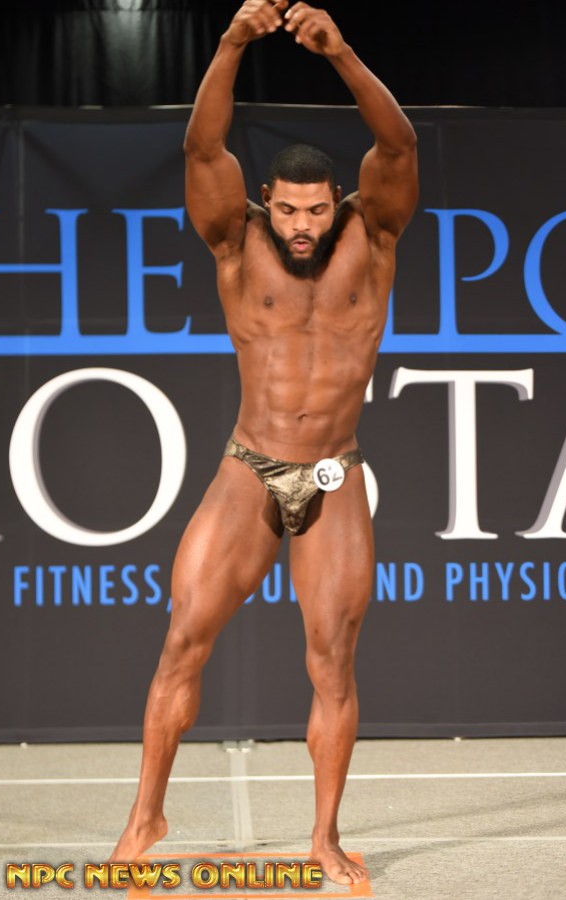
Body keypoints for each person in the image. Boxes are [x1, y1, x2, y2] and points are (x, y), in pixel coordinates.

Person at [110, 0, 418, 885]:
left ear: (337, 200)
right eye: (288, 210)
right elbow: (202, 148)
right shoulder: (235, 240)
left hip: (334, 470)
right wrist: (231, 44)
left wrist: (342, 53)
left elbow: (398, 147)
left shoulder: (373, 235)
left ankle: (323, 839)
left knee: (332, 662)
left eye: (316, 210)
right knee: (183, 639)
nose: (302, 226)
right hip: (250, 467)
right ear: (266, 204)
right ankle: (145, 818)